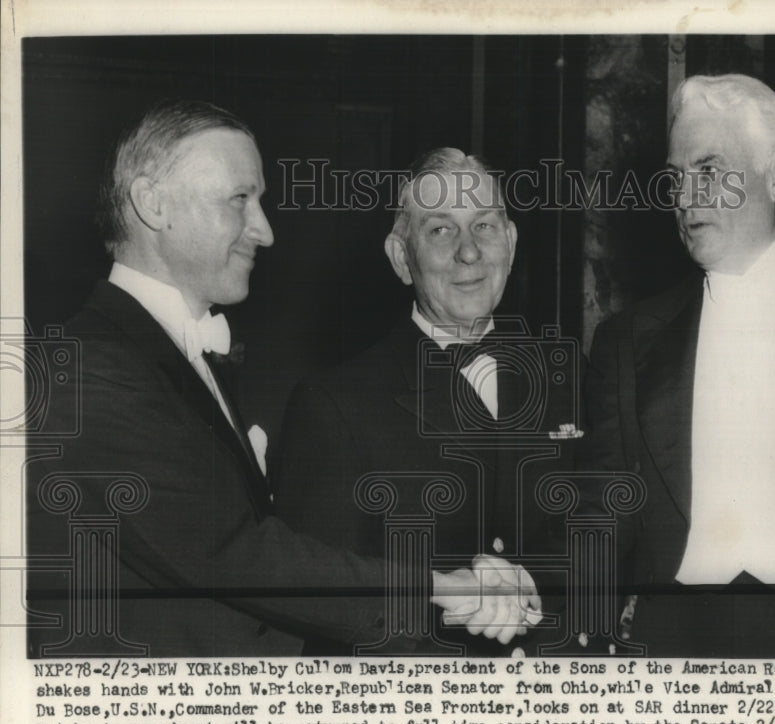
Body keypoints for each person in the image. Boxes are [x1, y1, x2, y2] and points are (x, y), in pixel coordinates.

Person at [26, 101, 535, 658]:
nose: (264, 230)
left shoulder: (170, 355)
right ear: (153, 204)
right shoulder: (91, 365)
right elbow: (232, 552)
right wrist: (441, 586)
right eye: (240, 200)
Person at [581, 74, 775, 658]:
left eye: (708, 170)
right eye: (676, 178)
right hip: (669, 639)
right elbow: (602, 513)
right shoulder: (624, 340)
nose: (683, 197)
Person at [276, 148, 579, 655]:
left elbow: (605, 538)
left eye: (484, 226)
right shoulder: (335, 405)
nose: (469, 252)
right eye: (441, 230)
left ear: (511, 241)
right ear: (401, 257)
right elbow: (319, 600)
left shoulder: (571, 380)